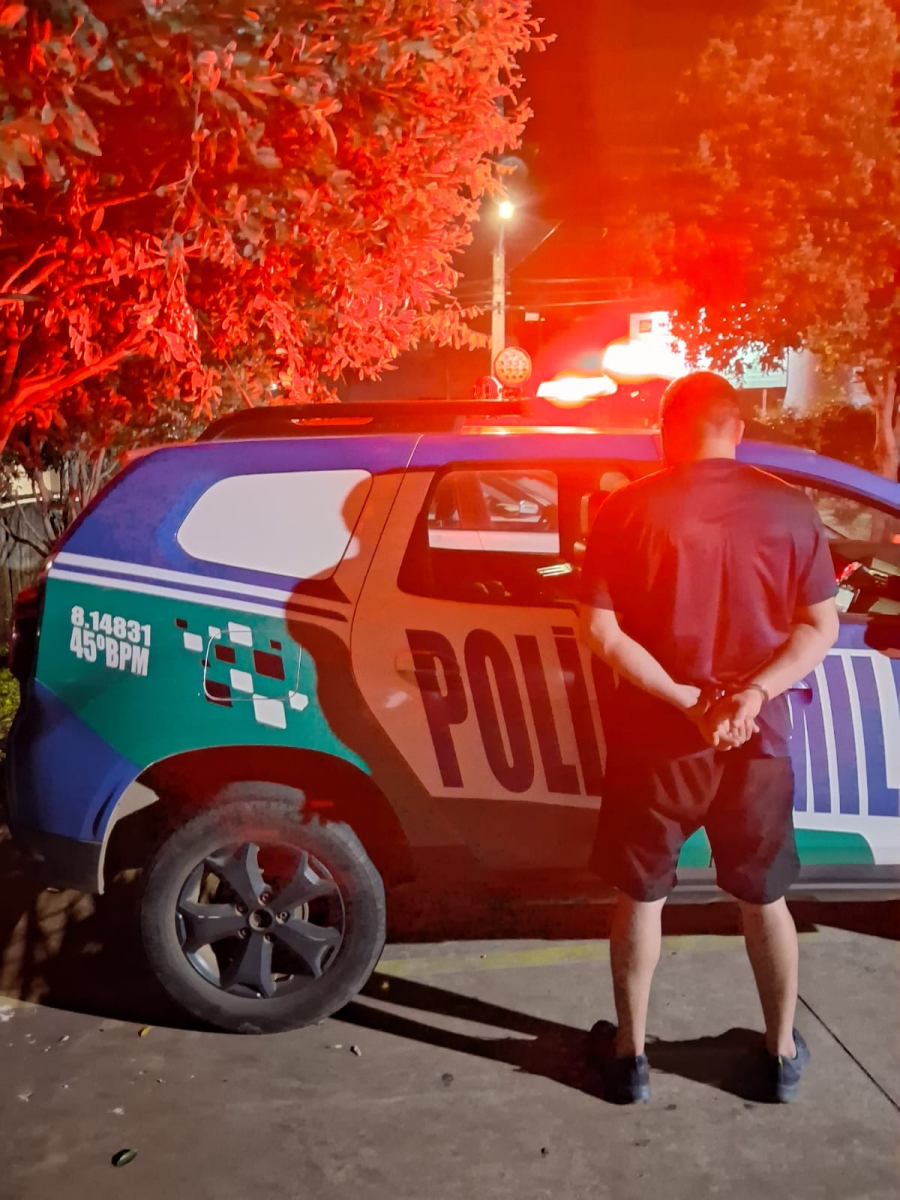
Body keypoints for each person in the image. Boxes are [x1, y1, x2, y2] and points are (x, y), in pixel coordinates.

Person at [579, 371, 839, 1104]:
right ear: (739, 429)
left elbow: (599, 630)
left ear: (666, 428)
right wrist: (752, 694)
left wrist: (687, 700)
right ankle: (781, 1053)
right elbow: (817, 628)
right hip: (757, 741)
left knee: (641, 895)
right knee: (764, 898)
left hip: (657, 740)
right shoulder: (792, 510)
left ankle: (629, 1059)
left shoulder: (626, 509)